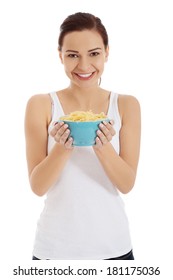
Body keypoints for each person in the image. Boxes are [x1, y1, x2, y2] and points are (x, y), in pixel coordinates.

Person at [25, 12, 141, 260]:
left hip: (114, 248)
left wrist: (102, 145)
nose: (84, 66)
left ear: (107, 52)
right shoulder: (41, 105)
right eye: (73, 55)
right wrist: (63, 147)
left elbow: (127, 183)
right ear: (60, 57)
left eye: (94, 53)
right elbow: (37, 186)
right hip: (53, 251)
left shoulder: (126, 105)